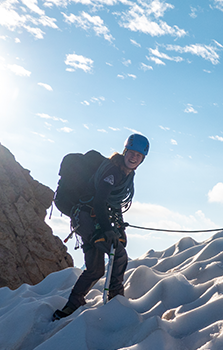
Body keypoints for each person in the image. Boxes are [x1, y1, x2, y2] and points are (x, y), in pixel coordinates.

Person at [52, 133, 149, 321]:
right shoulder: (113, 171)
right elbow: (99, 201)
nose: (134, 157)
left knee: (95, 269)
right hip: (87, 218)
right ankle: (116, 300)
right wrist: (108, 229)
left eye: (139, 155)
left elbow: (115, 204)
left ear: (142, 159)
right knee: (119, 254)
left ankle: (71, 305)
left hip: (88, 219)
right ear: (125, 151)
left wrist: (119, 228)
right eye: (132, 152)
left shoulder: (126, 174)